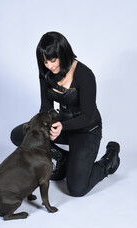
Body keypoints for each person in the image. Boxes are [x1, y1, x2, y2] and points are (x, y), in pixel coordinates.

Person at [10, 31, 120, 197]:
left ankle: (108, 161)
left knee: (77, 189)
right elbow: (46, 107)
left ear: (63, 53)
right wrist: (44, 128)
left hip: (87, 129)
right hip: (62, 126)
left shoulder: (85, 75)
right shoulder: (46, 73)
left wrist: (62, 126)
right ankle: (64, 159)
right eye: (45, 61)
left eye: (53, 60)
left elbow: (88, 116)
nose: (50, 66)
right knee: (19, 134)